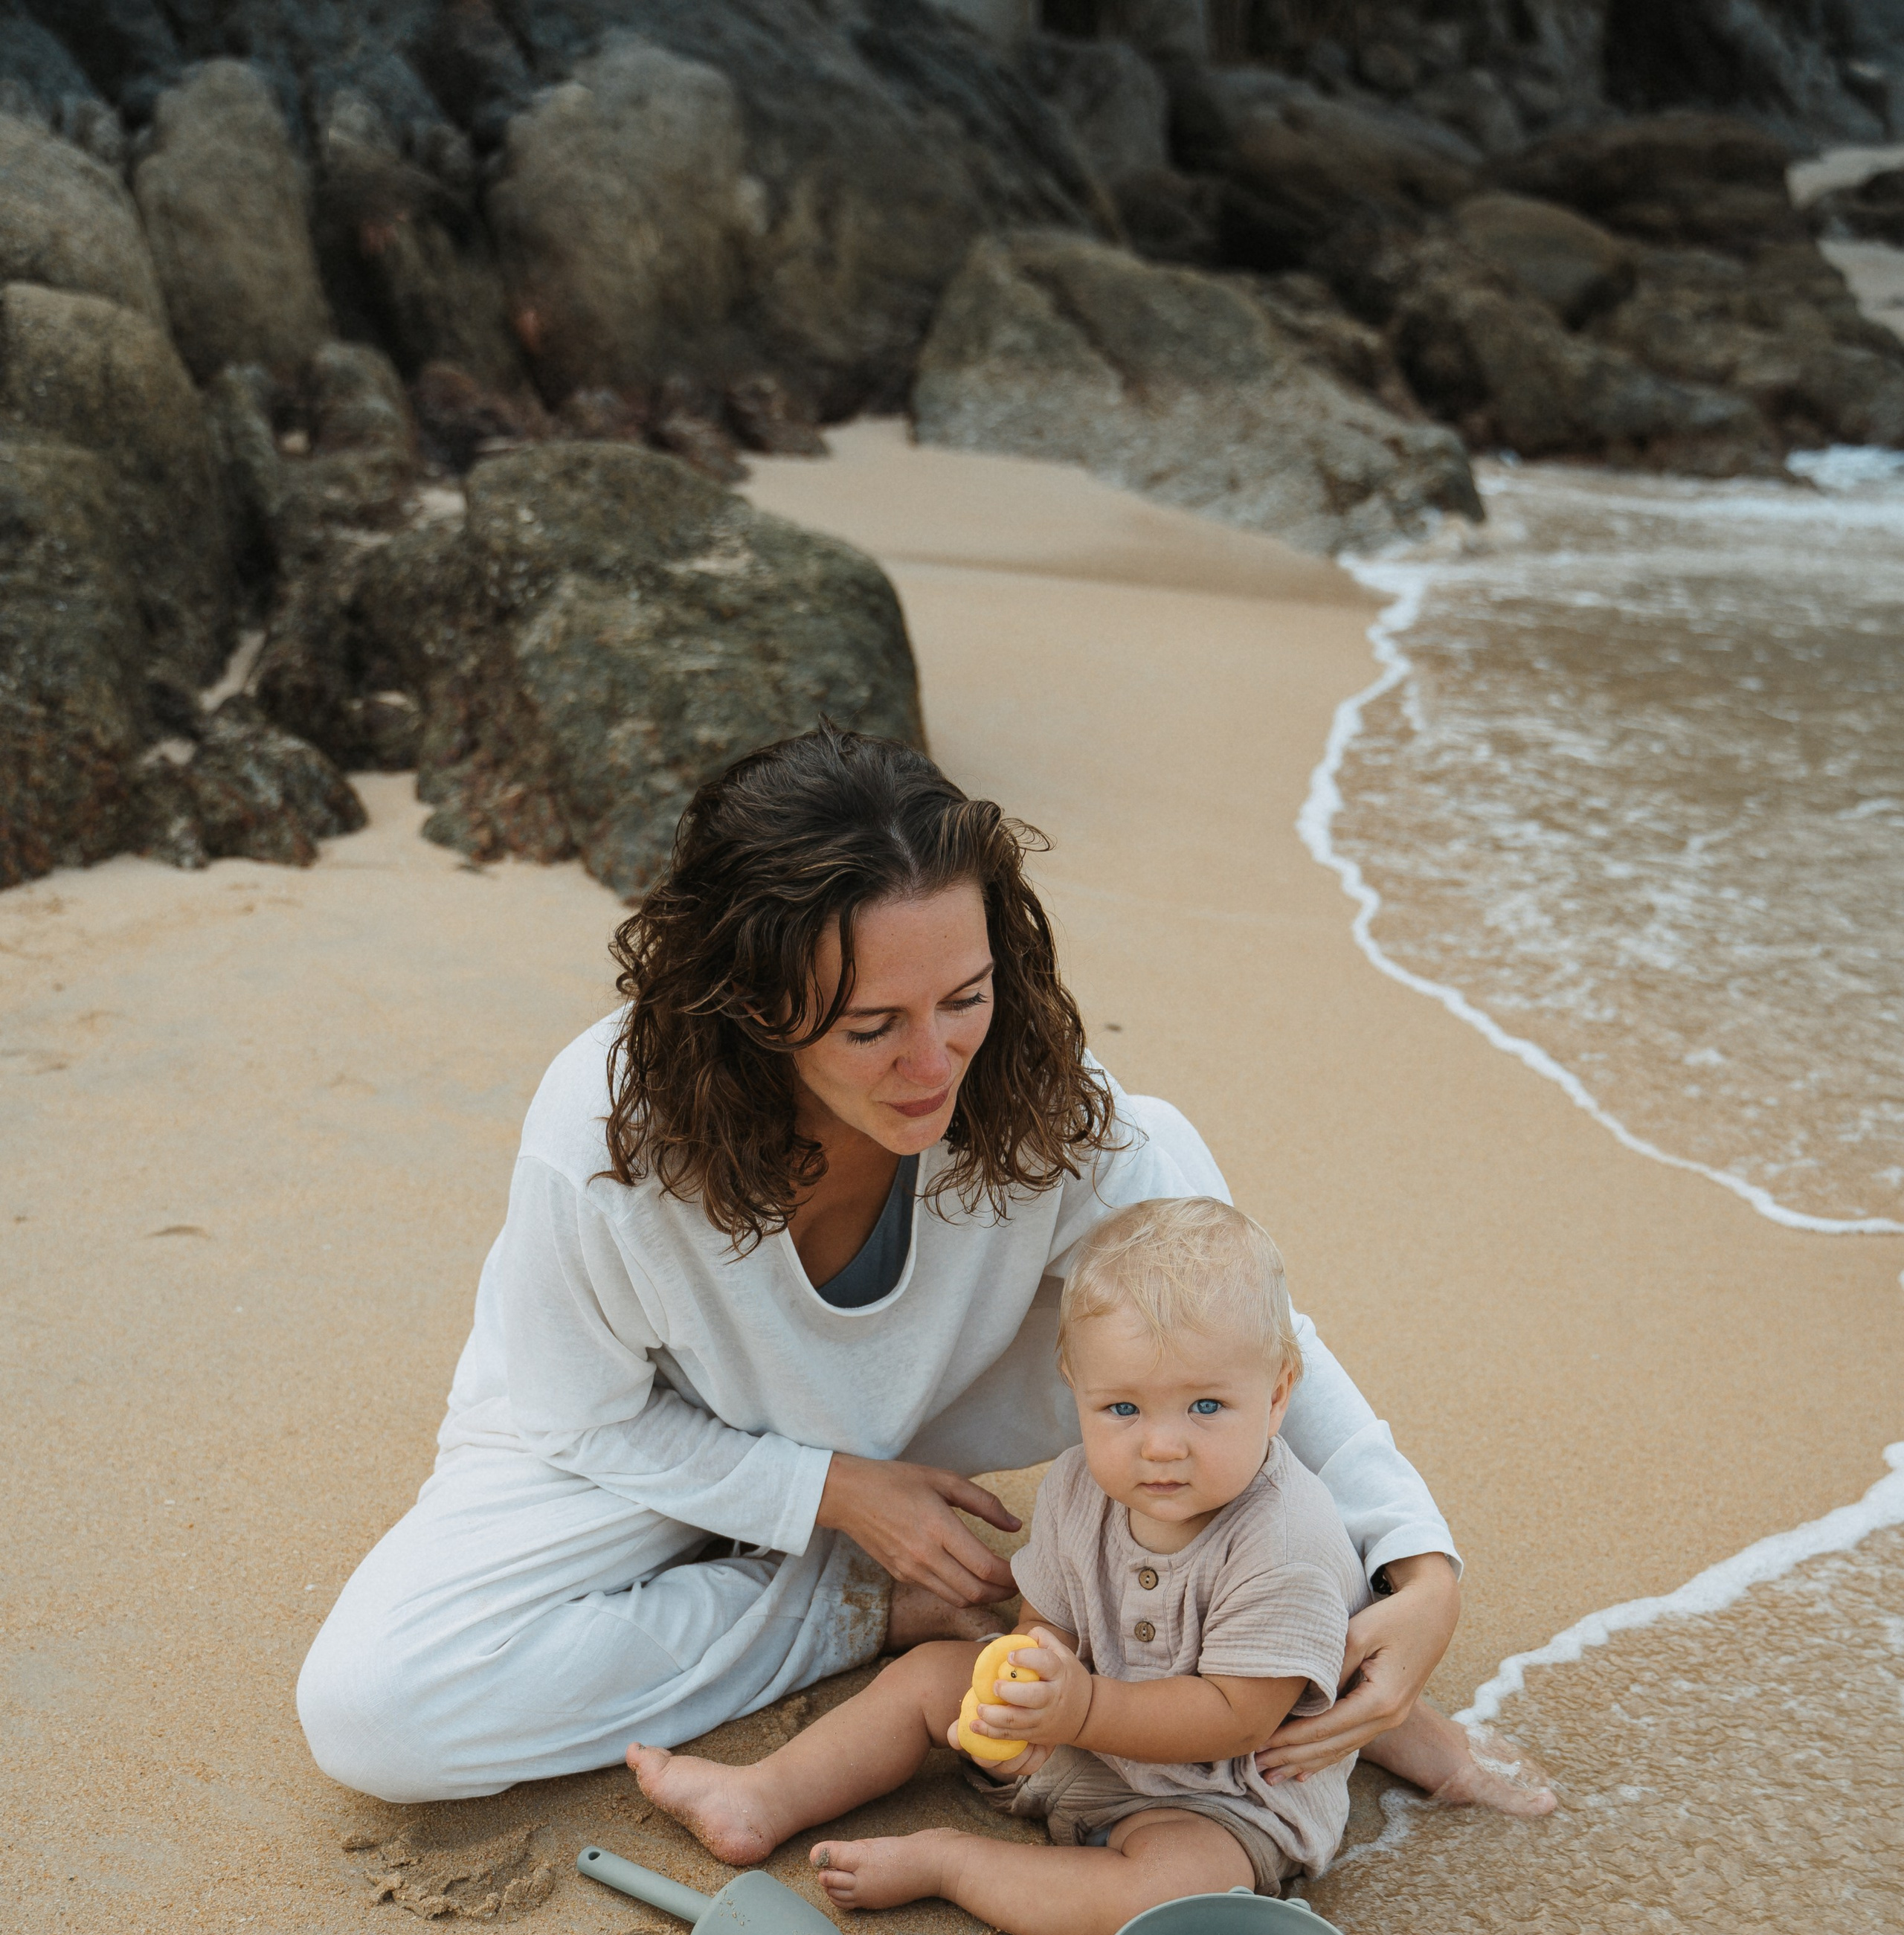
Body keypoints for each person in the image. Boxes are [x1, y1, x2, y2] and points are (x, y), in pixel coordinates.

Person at [297, 724, 1548, 1817]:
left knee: (1174, 1230)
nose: (932, 1060)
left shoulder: (1047, 1105)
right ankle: (854, 1614)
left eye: (964, 996)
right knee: (372, 1711)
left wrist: (1416, 1561)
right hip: (646, 1433)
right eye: (870, 1026)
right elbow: (578, 1414)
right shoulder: (607, 1136)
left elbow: (1254, 1340)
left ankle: (1276, 1644)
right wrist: (834, 1497)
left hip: (933, 1401)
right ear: (747, 1003)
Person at [635, 1196, 1417, 1935]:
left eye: (1206, 1405)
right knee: (937, 1674)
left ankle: (951, 1863)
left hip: (1214, 1796)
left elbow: (1235, 1716)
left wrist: (1078, 1710)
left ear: (1278, 1393)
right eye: (1122, 1408)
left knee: (1181, 1898)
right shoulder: (1081, 1485)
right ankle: (763, 1795)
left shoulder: (1285, 1539)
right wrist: (1027, 1683)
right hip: (1073, 1735)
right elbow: (1048, 1619)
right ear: (1074, 1386)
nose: (1162, 1445)